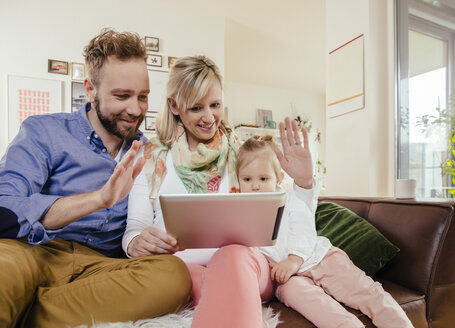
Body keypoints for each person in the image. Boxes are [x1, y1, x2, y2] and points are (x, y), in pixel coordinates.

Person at [0, 29, 191, 328]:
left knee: (173, 276)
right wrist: (98, 200)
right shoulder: (44, 131)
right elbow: (6, 207)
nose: (135, 109)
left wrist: (148, 238)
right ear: (90, 89)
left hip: (102, 267)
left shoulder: (152, 153)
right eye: (122, 96)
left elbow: (149, 222)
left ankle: (26, 311)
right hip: (31, 252)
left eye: (143, 96)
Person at [123, 55, 317, 328]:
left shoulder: (245, 151)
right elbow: (134, 229)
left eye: (215, 105)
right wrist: (135, 243)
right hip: (180, 270)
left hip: (247, 265)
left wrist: (304, 183)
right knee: (170, 276)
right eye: (196, 108)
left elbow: (291, 217)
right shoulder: (151, 157)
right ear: (175, 106)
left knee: (232, 256)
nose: (209, 117)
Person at [236, 135, 414, 328]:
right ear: (238, 181)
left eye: (263, 178)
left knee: (369, 294)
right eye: (247, 179)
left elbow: (302, 227)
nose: (255, 186)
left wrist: (294, 260)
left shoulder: (289, 199)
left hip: (321, 259)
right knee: (301, 298)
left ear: (278, 179)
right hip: (290, 279)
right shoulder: (240, 214)